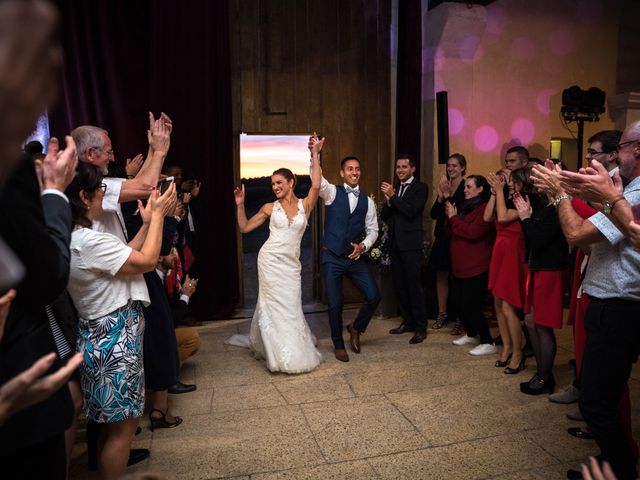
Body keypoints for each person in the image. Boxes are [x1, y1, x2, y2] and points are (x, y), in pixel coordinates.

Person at [536, 120, 640, 480]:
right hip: (614, 303)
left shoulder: (636, 195)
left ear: (636, 150)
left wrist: (559, 195)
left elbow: (576, 233)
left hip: (619, 307)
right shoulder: (628, 190)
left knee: (595, 402)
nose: (617, 155)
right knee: (603, 396)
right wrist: (570, 185)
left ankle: (622, 472)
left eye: (622, 146)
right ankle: (613, 467)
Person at [65, 163, 175, 480]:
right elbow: (146, 261)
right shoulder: (89, 242)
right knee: (122, 432)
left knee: (114, 429)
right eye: (100, 189)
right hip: (114, 341)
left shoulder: (81, 238)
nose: (105, 194)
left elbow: (123, 255)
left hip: (101, 338)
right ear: (85, 197)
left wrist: (144, 226)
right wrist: (157, 218)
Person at [228, 134, 324, 373]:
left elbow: (315, 184)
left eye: (279, 182)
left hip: (292, 266)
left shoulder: (306, 205)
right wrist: (240, 204)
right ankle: (276, 354)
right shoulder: (269, 208)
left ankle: (295, 347)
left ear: (291, 182)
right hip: (269, 261)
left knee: (291, 306)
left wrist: (315, 154)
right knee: (272, 308)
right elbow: (245, 227)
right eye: (272, 184)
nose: (275, 187)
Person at [318, 148, 381, 362]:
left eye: (357, 169)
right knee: (335, 303)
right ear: (342, 173)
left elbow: (373, 230)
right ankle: (338, 343)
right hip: (332, 257)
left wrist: (363, 246)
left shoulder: (368, 202)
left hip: (354, 259)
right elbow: (316, 178)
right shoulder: (331, 192)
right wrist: (315, 155)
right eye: (350, 169)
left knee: (374, 296)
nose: (354, 172)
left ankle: (356, 327)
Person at [512, 168, 568, 395]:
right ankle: (542, 373)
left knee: (542, 325)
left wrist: (525, 217)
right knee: (530, 320)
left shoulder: (558, 207)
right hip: (538, 267)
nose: (537, 184)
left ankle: (546, 377)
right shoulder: (543, 203)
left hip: (551, 270)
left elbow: (538, 240)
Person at [445, 175, 495, 355]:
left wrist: (453, 218)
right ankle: (472, 334)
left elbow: (473, 232)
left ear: (481, 189)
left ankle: (488, 341)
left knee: (471, 306)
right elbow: (452, 231)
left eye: (469, 186)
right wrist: (452, 217)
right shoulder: (464, 208)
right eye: (465, 186)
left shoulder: (484, 208)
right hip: (460, 266)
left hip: (477, 267)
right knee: (458, 304)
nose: (465, 190)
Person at [381, 155, 429, 344]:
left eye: (404, 167)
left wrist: (393, 196)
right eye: (398, 167)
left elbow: (411, 211)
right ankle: (407, 321)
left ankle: (420, 327)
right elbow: (385, 215)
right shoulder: (396, 188)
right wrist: (389, 201)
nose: (400, 170)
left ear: (413, 169)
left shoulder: (420, 188)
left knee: (414, 286)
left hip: (411, 245)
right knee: (399, 286)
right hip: (395, 244)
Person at [428, 154, 466, 332]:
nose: (451, 169)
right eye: (449, 166)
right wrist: (441, 197)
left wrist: (449, 196)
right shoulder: (445, 185)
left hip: (458, 236)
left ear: (463, 168)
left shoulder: (467, 186)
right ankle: (442, 313)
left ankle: (460, 316)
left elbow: (461, 213)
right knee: (441, 275)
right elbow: (434, 214)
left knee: (458, 277)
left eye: (455, 166)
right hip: (443, 237)